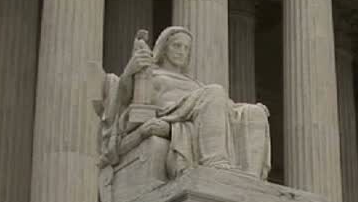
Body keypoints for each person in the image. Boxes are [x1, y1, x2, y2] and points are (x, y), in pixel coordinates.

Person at [114, 26, 270, 179]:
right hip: (170, 113)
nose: (181, 51)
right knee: (215, 91)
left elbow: (225, 108)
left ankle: (250, 178)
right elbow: (124, 99)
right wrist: (130, 71)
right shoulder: (152, 74)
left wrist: (246, 108)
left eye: (186, 48)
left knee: (254, 112)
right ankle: (214, 161)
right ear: (164, 48)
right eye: (176, 46)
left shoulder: (196, 84)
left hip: (195, 114)